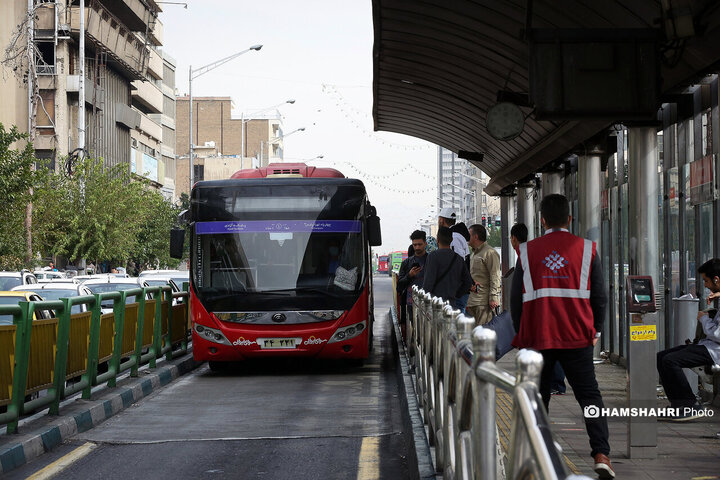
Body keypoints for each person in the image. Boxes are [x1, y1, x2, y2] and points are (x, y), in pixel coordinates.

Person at [510, 194, 613, 479]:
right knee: (589, 396)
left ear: (542, 221)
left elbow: (515, 301)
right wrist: (597, 330)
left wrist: (522, 335)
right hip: (577, 336)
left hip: (538, 337)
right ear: (570, 218)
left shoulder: (527, 252)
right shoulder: (588, 249)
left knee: (537, 397)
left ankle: (534, 450)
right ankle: (601, 454)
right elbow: (600, 296)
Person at [657, 258, 720, 421]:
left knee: (670, 361)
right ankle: (679, 406)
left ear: (716, 280)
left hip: (715, 350)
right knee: (661, 357)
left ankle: (690, 405)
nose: (705, 285)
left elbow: (717, 334)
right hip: (708, 345)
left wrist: (704, 318)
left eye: (706, 281)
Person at [422, 227, 473, 309]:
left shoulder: (433, 256)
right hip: (452, 305)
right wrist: (456, 294)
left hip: (436, 305)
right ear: (451, 239)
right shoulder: (458, 259)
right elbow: (468, 283)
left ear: (437, 240)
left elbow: (428, 284)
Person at [466, 224, 501, 325]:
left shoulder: (490, 253)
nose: (467, 238)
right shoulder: (473, 254)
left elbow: (495, 275)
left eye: (469, 235)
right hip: (472, 302)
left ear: (475, 236)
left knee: (483, 334)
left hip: (483, 303)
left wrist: (493, 297)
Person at [438, 208, 470, 311]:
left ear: (442, 220)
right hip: (458, 288)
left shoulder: (454, 237)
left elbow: (458, 264)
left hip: (457, 290)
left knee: (456, 321)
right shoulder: (457, 235)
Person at [397, 231, 428, 331]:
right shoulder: (406, 263)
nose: (417, 247)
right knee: (416, 331)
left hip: (429, 303)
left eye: (420, 244)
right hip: (411, 303)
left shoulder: (432, 260)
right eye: (415, 245)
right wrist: (409, 275)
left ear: (425, 244)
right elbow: (400, 284)